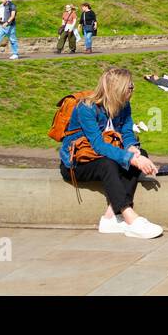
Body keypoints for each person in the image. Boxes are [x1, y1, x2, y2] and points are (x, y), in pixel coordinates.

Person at [57, 67, 162, 239]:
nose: (133, 89)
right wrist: (131, 159)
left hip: (103, 157)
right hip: (76, 164)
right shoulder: (86, 108)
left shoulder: (124, 105)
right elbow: (98, 146)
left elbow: (127, 132)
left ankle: (110, 217)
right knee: (110, 164)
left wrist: (132, 148)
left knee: (140, 153)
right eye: (129, 87)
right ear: (117, 88)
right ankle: (130, 217)